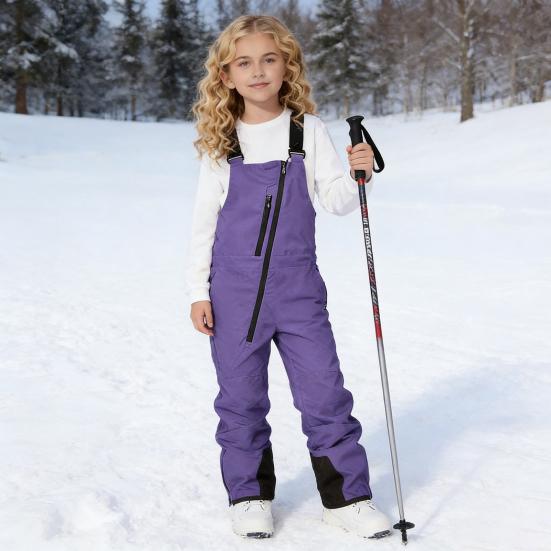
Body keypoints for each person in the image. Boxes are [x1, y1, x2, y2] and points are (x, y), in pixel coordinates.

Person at [186, 14, 393, 540]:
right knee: (241, 399)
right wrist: (197, 292)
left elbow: (338, 201)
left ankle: (346, 500)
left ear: (287, 66)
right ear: (226, 75)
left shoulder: (308, 130)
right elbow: (204, 222)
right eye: (244, 63)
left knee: (325, 394)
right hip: (233, 292)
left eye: (269, 59)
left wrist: (360, 172)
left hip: (298, 288)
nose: (257, 71)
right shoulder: (222, 139)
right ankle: (249, 496)